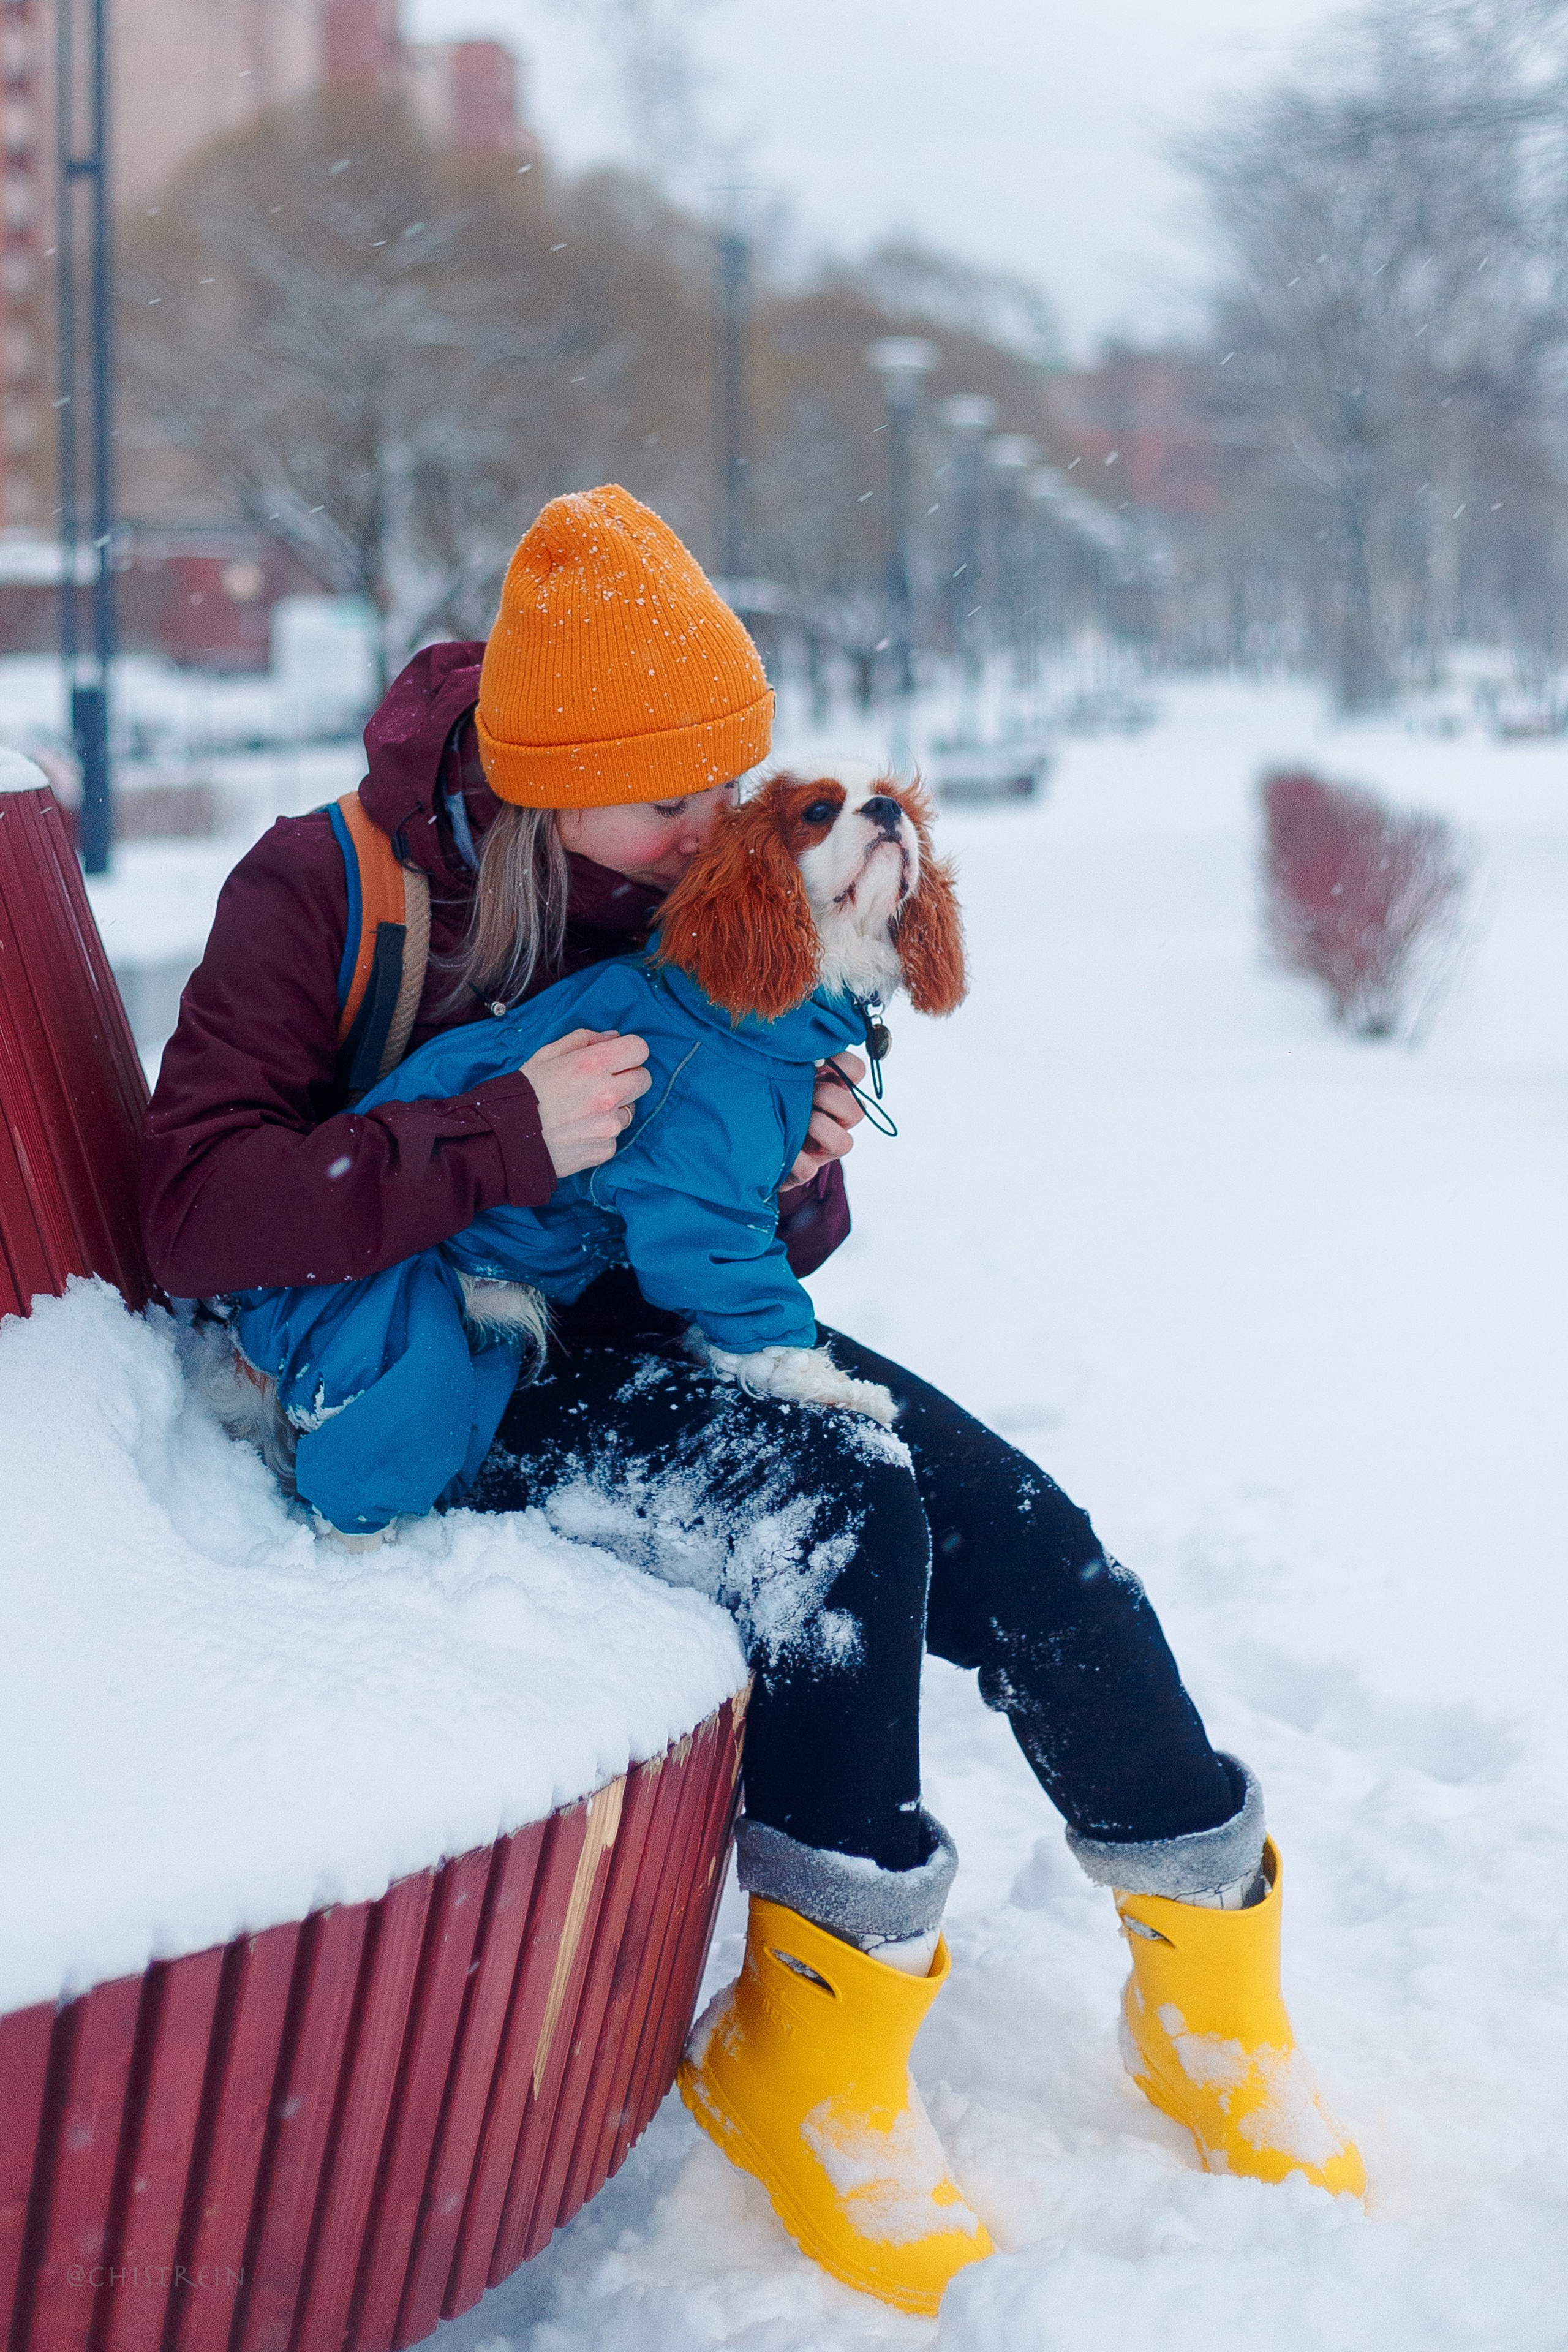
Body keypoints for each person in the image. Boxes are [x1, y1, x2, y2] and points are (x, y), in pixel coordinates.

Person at [142, 486, 1363, 2317]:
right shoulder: (330, 889)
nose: (715, 835)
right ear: (548, 779)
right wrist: (495, 1136)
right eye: (672, 805)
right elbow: (190, 1209)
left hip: (666, 1325)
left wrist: (806, 1166)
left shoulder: (683, 870)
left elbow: (745, 1219)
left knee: (1025, 1537)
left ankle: (1215, 1987)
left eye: (733, 788)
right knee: (841, 1521)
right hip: (465, 1365)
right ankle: (815, 2053)